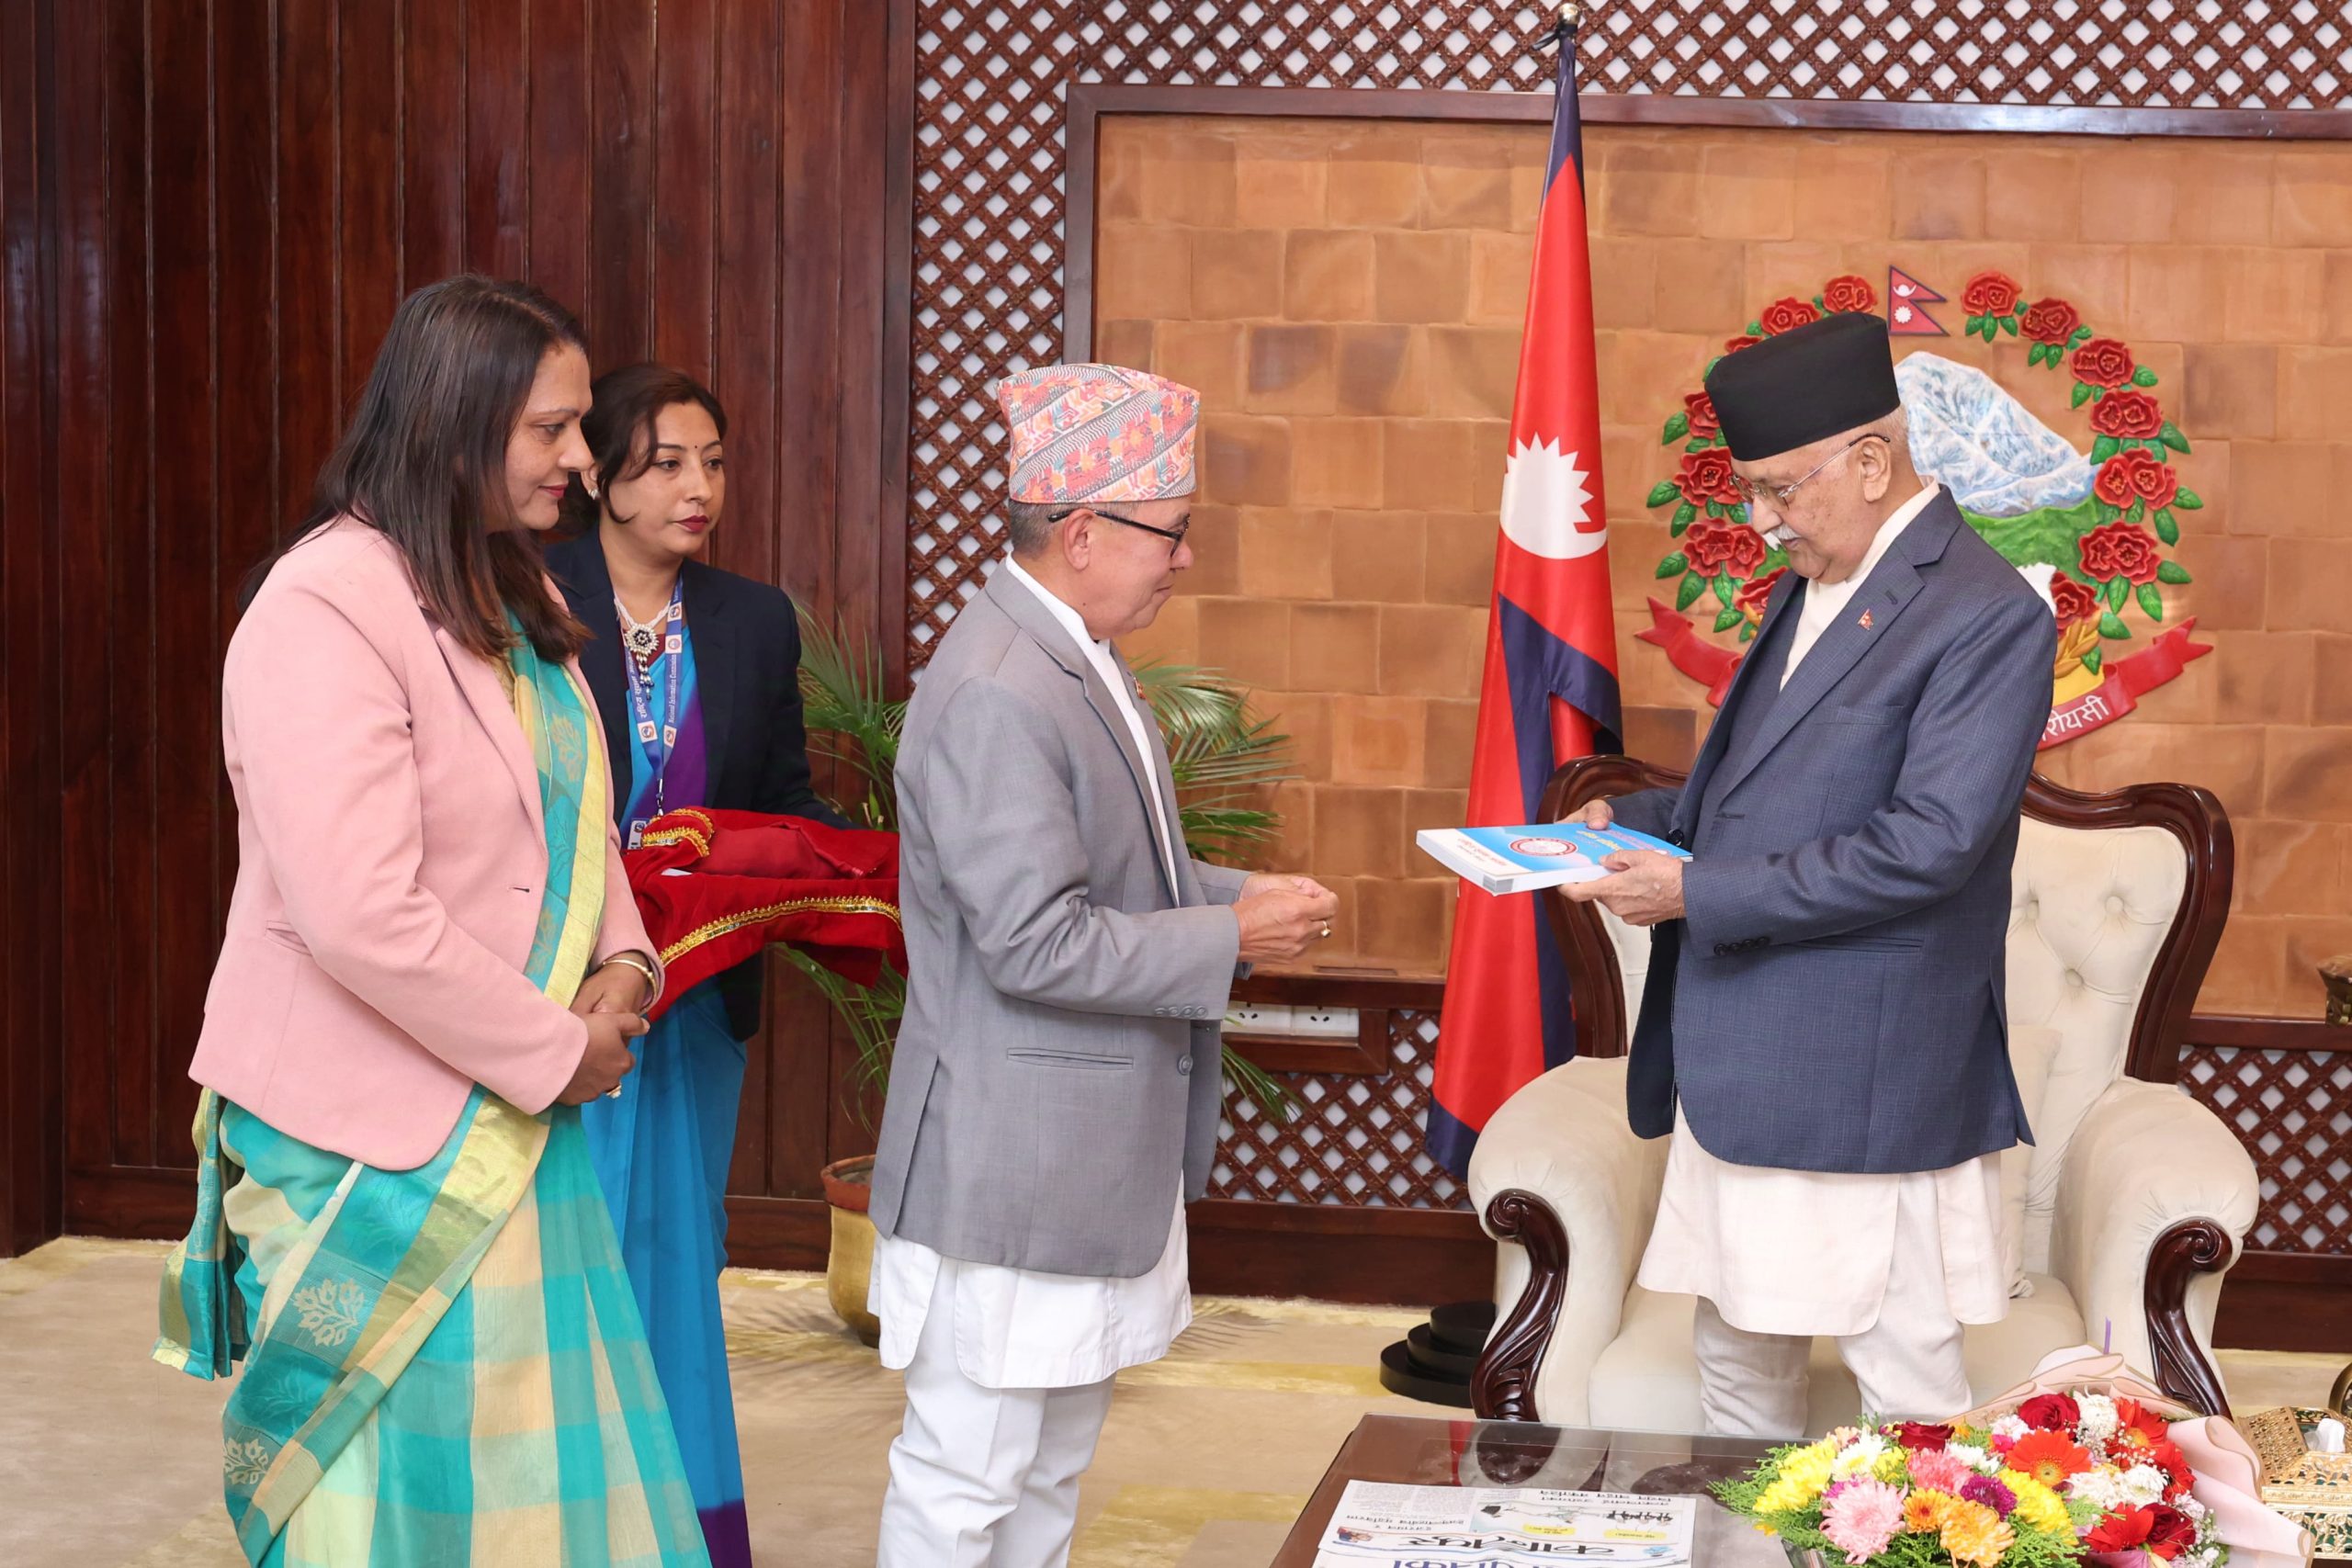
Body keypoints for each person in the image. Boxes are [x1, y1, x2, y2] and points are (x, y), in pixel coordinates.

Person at [154, 276, 709, 1565]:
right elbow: (358, 910)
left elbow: (566, 829)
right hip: (372, 1137)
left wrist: (624, 963)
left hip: (515, 1122)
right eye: (551, 429)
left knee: (535, 1480)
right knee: (381, 1500)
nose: (581, 457)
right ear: (454, 422)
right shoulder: (324, 604)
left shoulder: (513, 598)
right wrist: (552, 1045)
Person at [865, 363, 1340, 1566]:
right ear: (1084, 531)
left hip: (1073, 1158)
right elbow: (1036, 937)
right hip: (1013, 1159)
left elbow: (1115, 876)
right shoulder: (998, 689)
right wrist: (1229, 935)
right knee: (967, 1476)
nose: (1184, 558)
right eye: (1171, 534)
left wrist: (1242, 898)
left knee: (1048, 1472)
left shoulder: (1076, 650)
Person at [1568, 311, 2055, 1438]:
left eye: (1777, 490)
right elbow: (1761, 790)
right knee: (1736, 1373)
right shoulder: (1819, 578)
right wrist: (1624, 822)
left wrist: (1694, 894)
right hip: (1745, 1064)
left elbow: (1930, 841)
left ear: (1872, 464)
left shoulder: (1984, 613)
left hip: (1867, 1075)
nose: (1759, 520)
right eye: (1751, 491)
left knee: (1908, 1402)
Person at [548, 363, 848, 1568]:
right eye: (668, 461)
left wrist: (811, 873)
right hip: (565, 997)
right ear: (604, 475)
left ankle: (678, 1527)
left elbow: (782, 797)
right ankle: (562, 1518)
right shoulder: (532, 598)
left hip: (700, 1003)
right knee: (575, 1250)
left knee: (679, 1255)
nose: (700, 486)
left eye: (714, 460)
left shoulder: (753, 616)